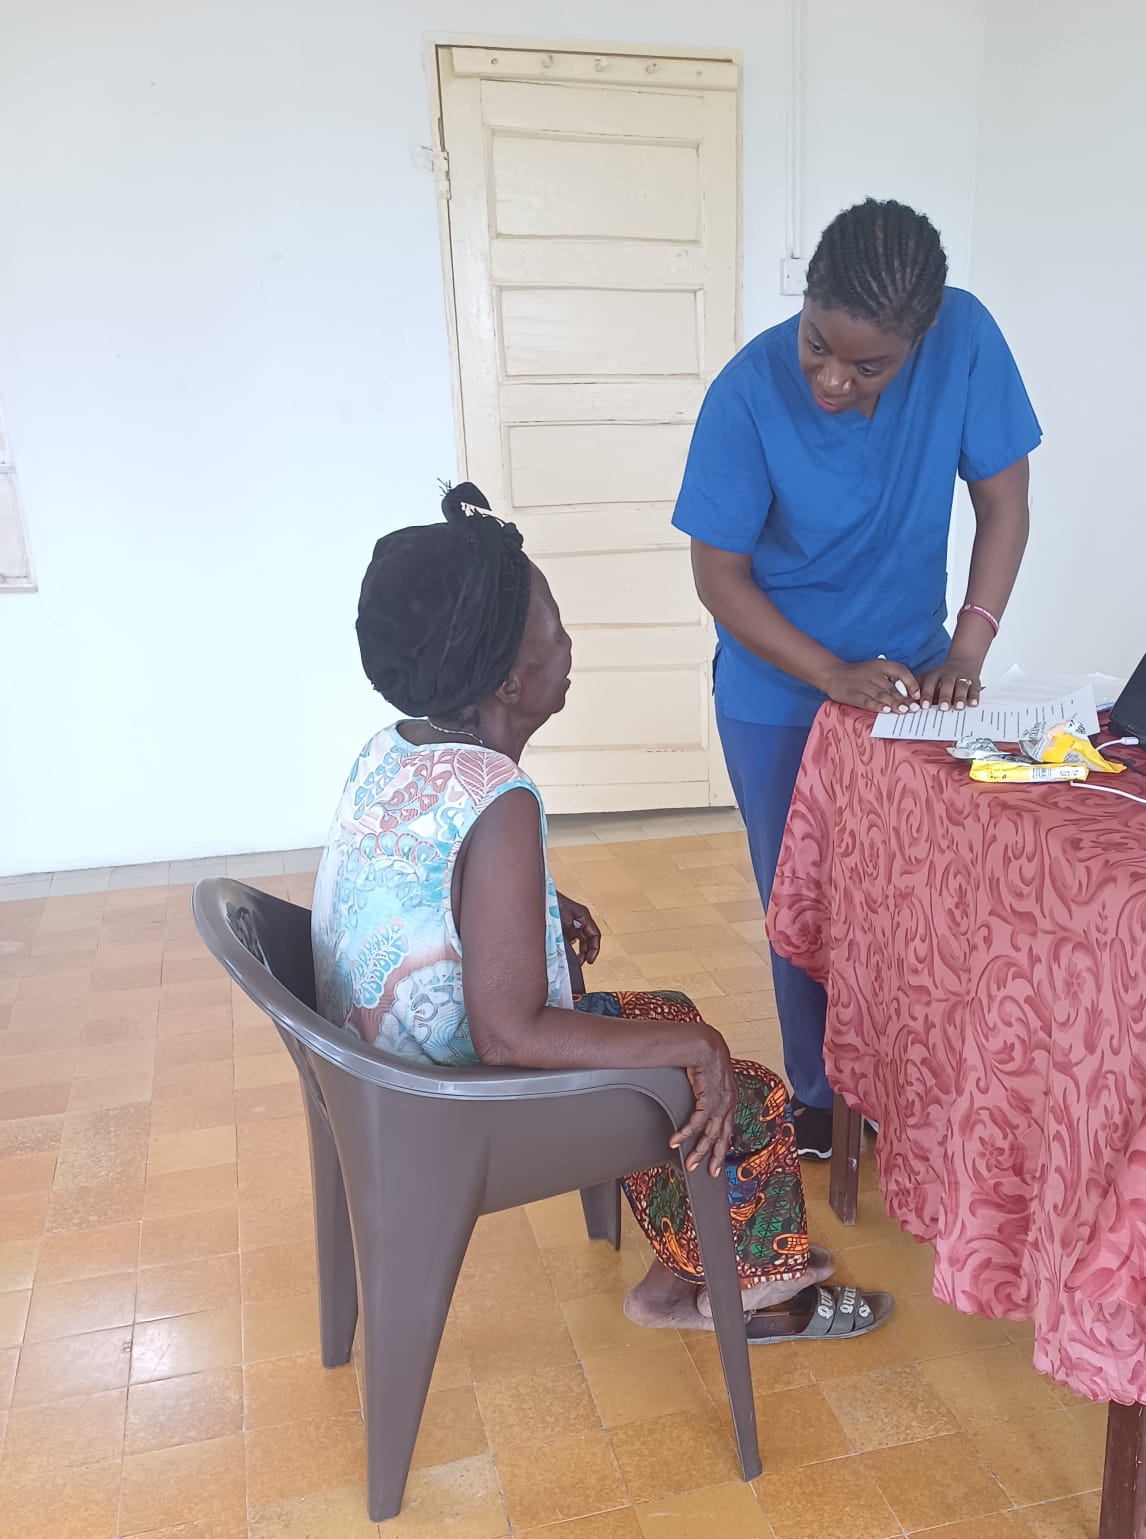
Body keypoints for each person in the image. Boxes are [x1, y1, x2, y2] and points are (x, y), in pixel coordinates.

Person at [311, 483, 892, 1341]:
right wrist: (702, 1050)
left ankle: (688, 1265)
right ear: (513, 675)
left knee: (672, 1020)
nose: (569, 639)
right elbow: (511, 1034)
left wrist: (535, 904)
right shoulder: (501, 799)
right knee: (740, 1084)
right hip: (462, 1098)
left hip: (380, 1076)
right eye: (554, 621)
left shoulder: (397, 748)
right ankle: (753, 1294)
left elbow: (419, 880)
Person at [674, 198, 1041, 1159]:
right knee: (805, 901)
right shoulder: (748, 394)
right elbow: (719, 575)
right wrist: (831, 674)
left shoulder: (965, 339)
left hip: (912, 690)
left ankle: (911, 1086)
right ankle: (824, 1100)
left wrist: (966, 652)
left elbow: (1005, 502)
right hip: (780, 689)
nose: (833, 378)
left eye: (867, 364)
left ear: (920, 337)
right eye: (816, 346)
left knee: (914, 900)